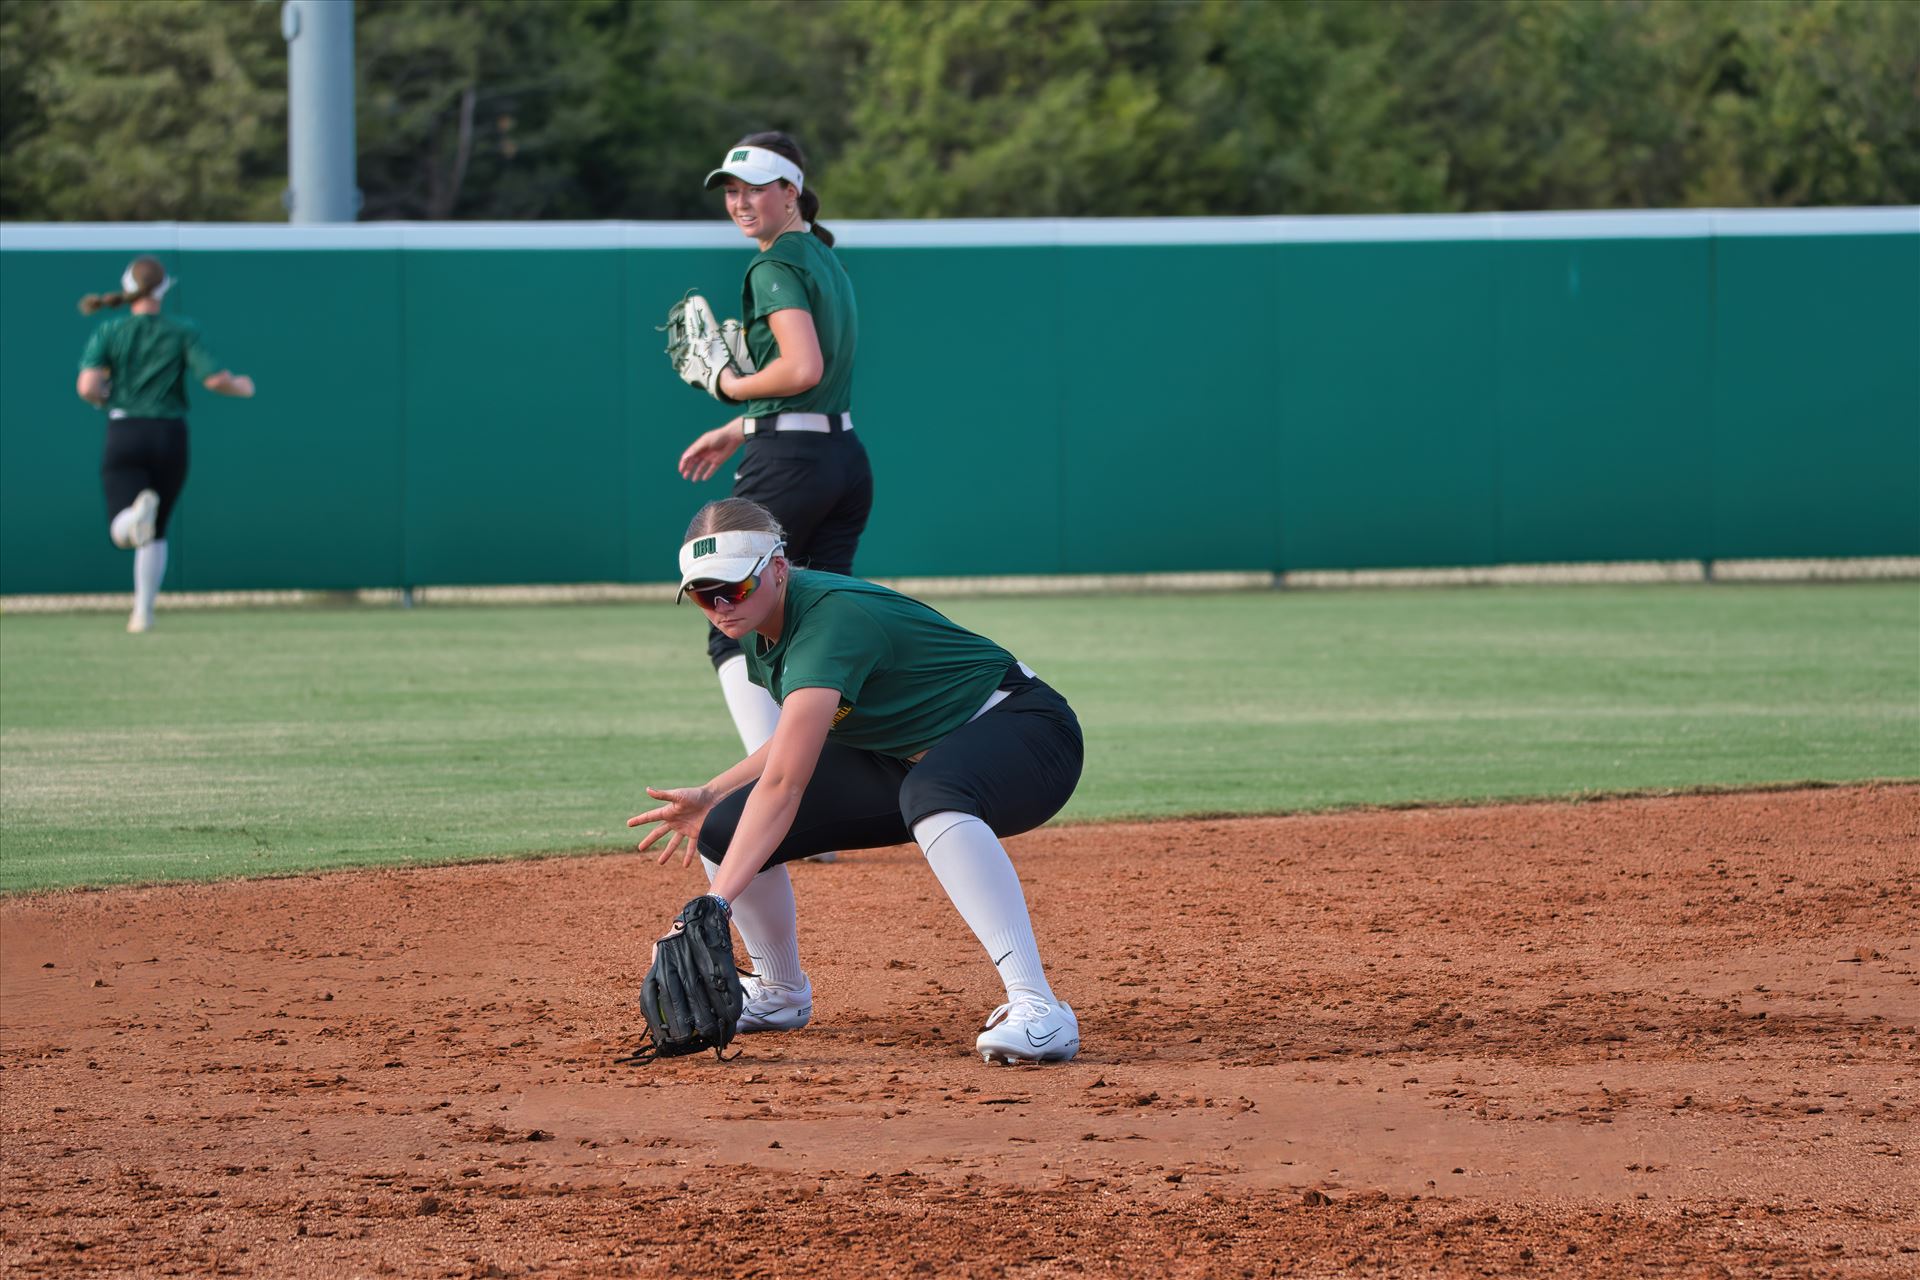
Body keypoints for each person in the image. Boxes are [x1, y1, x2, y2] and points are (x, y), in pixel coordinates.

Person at [628, 498, 1084, 1064]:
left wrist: (714, 905)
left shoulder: (828, 619)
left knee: (933, 796)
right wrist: (714, 792)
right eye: (703, 594)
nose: (720, 605)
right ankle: (779, 991)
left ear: (777, 568)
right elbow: (802, 733)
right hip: (899, 752)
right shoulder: (758, 621)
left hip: (1024, 734)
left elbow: (785, 785)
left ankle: (1039, 1008)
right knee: (725, 827)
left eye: (734, 588)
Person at [673, 134, 873, 853]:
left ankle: (780, 800)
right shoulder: (823, 254)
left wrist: (729, 386)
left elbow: (799, 366)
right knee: (819, 626)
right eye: (730, 190)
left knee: (727, 611)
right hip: (842, 456)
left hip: (789, 460)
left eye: (755, 187)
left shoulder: (776, 264)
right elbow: (816, 382)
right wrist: (740, 424)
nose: (740, 201)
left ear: (791, 190)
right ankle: (837, 793)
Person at [75, 256, 255, 633]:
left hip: (125, 431)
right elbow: (215, 379)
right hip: (170, 435)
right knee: (157, 529)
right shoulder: (183, 330)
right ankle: (143, 612)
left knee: (122, 527)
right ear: (164, 288)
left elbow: (88, 387)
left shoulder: (110, 331)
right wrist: (243, 386)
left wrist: (101, 399)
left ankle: (132, 519)